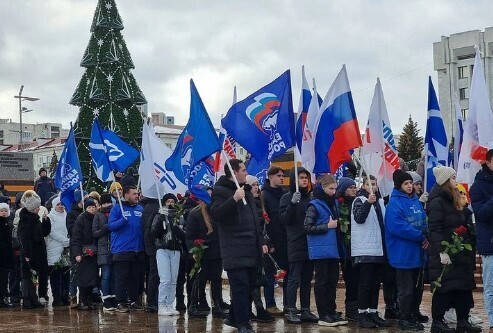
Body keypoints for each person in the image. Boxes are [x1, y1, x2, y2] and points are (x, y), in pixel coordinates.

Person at [210, 159, 268, 333]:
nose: (246, 172)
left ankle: (233, 318)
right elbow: (216, 214)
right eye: (243, 170)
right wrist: (233, 199)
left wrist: (262, 242)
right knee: (240, 286)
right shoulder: (220, 191)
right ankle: (243, 323)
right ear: (234, 173)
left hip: (251, 247)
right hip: (234, 248)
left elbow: (255, 222)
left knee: (250, 285)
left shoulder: (247, 192)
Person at [426, 166, 481, 333]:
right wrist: (442, 251)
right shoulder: (437, 202)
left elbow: (464, 221)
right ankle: (437, 321)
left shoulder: (455, 198)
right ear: (445, 181)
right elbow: (434, 229)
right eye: (453, 178)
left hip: (461, 253)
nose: (455, 181)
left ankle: (463, 320)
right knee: (445, 289)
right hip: (446, 254)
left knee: (462, 288)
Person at [385, 169, 428, 331]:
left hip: (417, 251)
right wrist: (419, 236)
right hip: (402, 253)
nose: (410, 186)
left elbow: (423, 220)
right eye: (406, 183)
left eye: (411, 183)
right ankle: (404, 318)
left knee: (416, 287)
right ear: (399, 185)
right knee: (406, 289)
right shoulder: (394, 202)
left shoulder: (415, 201)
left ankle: (411, 314)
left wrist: (426, 234)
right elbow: (397, 226)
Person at [304, 174, 348, 327]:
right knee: (321, 282)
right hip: (321, 249)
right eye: (331, 188)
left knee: (332, 281)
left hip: (333, 248)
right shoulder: (314, 205)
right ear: (322, 188)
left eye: (335, 188)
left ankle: (331, 311)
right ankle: (323, 314)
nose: (334, 191)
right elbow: (307, 228)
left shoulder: (333, 202)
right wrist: (327, 227)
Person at [279, 167, 318, 324]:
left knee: (307, 279)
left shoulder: (310, 198)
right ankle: (291, 310)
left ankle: (305, 310)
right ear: (295, 179)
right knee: (294, 279)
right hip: (295, 242)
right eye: (301, 177)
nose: (304, 180)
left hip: (309, 242)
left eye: (306, 178)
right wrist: (292, 204)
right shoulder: (287, 197)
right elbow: (284, 220)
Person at [351, 175, 389, 328]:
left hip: (379, 248)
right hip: (365, 249)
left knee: (375, 283)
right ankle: (362, 313)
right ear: (363, 186)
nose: (372, 186)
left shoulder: (380, 202)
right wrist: (368, 202)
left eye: (374, 184)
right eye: (369, 184)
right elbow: (359, 218)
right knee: (365, 283)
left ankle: (373, 311)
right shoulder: (359, 200)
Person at [186, 190, 230, 319]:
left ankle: (217, 304)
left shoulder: (216, 212)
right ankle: (194, 305)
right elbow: (189, 236)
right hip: (202, 252)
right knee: (200, 280)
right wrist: (194, 249)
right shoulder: (195, 214)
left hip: (216, 251)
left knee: (216, 279)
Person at [108, 185, 145, 313]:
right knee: (121, 278)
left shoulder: (141, 208)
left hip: (138, 249)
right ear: (126, 195)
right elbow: (111, 226)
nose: (137, 196)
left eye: (138, 193)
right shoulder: (117, 208)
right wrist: (121, 221)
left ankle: (134, 300)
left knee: (135, 277)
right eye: (134, 193)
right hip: (122, 249)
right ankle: (120, 301)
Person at [244, 175, 274, 323]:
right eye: (252, 185)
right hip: (250, 247)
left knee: (256, 279)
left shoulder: (259, 203)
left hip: (261, 246)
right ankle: (256, 309)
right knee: (252, 280)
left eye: (257, 184)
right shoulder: (246, 204)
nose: (256, 187)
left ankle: (254, 309)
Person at [470, 149, 493, 331]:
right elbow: (481, 213)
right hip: (490, 244)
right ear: (489, 162)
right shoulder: (478, 186)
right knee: (491, 286)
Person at [17, 190, 51, 309]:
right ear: (32, 208)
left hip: (38, 253)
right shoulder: (25, 221)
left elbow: (44, 233)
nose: (39, 209)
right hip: (29, 253)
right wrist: (27, 254)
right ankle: (27, 299)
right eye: (37, 207)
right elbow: (23, 239)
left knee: (35, 276)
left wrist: (46, 222)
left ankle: (34, 298)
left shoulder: (36, 219)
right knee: (27, 277)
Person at [261, 166, 287, 316]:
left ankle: (287, 304)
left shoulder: (285, 194)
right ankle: (270, 304)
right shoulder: (264, 195)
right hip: (271, 242)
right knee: (270, 275)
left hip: (285, 239)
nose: (281, 177)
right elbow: (263, 221)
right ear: (270, 177)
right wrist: (267, 242)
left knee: (286, 273)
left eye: (282, 175)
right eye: (278, 175)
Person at [152, 196, 184, 317]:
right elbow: (153, 233)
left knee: (173, 279)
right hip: (162, 249)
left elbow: (184, 234)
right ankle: (162, 304)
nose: (170, 204)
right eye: (168, 201)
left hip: (176, 250)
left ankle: (170, 303)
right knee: (165, 278)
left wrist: (176, 228)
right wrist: (160, 221)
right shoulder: (159, 216)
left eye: (172, 201)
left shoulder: (178, 216)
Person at [335, 176, 359, 321]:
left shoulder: (357, 202)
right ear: (343, 190)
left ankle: (356, 307)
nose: (353, 190)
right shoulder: (339, 205)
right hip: (345, 248)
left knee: (357, 279)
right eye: (350, 187)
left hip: (357, 246)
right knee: (350, 280)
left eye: (354, 187)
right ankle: (350, 309)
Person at [71, 199, 99, 310]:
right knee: (83, 279)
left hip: (93, 253)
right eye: (89, 207)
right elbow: (76, 238)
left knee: (92, 279)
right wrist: (77, 253)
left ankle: (88, 300)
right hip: (83, 253)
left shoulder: (97, 218)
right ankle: (82, 300)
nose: (92, 209)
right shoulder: (81, 219)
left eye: (93, 207)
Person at [45, 197, 70, 307]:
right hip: (54, 248)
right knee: (55, 275)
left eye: (62, 204)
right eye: (58, 204)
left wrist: (69, 240)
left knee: (65, 274)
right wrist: (64, 240)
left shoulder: (67, 215)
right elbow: (51, 231)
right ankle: (57, 297)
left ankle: (65, 296)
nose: (60, 206)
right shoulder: (50, 217)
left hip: (66, 249)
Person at [92, 193, 115, 312]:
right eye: (104, 203)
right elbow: (94, 233)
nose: (107, 205)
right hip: (103, 249)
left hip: (115, 249)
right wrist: (104, 229)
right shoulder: (98, 216)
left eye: (108, 203)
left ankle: (114, 297)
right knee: (106, 275)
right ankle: (106, 299)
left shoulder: (115, 212)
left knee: (114, 276)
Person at [0, 202, 14, 308]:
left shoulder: (9, 224)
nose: (3, 213)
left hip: (6, 255)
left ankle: (3, 297)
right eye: (1, 211)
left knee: (5, 278)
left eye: (5, 211)